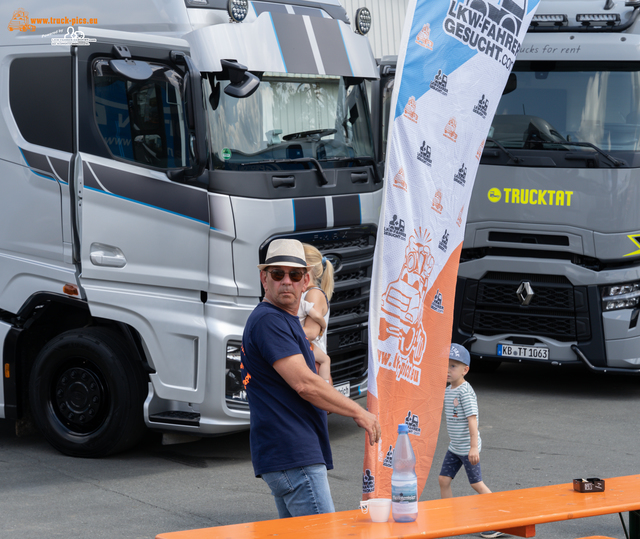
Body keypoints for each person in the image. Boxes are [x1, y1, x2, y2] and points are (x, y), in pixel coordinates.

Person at [241, 238, 380, 518]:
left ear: (306, 281)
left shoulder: (285, 320)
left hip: (288, 454)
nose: (286, 282)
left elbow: (312, 380)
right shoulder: (269, 320)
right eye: (277, 274)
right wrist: (359, 412)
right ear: (263, 278)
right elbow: (304, 383)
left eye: (294, 275)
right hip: (293, 453)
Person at [438, 343, 503, 539]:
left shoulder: (465, 392)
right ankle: (448, 517)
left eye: (454, 366)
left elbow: (472, 421)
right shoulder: (448, 390)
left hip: (467, 448)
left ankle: (501, 519)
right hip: (455, 447)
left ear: (465, 370)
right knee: (443, 480)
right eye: (446, 365)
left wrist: (474, 447)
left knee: (477, 484)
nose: (448, 370)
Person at [298, 243, 334, 383]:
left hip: (313, 365)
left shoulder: (313, 294)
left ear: (306, 267)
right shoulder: (303, 293)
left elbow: (311, 333)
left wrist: (277, 332)